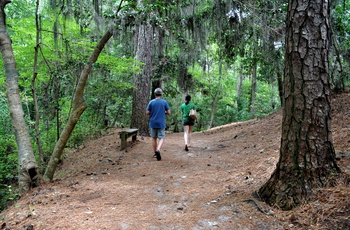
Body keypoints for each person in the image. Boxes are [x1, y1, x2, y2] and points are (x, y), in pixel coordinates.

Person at [146, 88, 171, 161]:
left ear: (154, 94)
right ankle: (158, 149)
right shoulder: (164, 102)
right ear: (161, 94)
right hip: (161, 122)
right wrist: (164, 112)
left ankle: (155, 153)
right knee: (162, 137)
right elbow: (169, 112)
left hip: (153, 122)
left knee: (154, 138)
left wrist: (153, 112)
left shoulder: (151, 102)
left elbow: (147, 112)